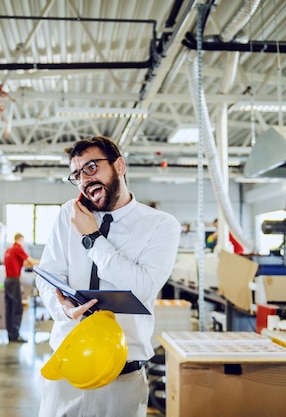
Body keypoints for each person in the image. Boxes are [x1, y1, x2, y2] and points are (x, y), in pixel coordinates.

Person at [35, 136, 181, 417]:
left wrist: (92, 236)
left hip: (122, 377)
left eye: (91, 168)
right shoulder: (69, 213)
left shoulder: (160, 225)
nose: (84, 180)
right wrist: (62, 308)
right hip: (67, 369)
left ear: (119, 166)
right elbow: (48, 274)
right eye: (76, 174)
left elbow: (143, 287)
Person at [3, 233, 39, 343]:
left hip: (7, 281)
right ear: (20, 239)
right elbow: (31, 261)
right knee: (17, 308)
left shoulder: (9, 250)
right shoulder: (17, 248)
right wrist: (44, 263)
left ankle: (11, 334)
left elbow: (22, 263)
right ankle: (15, 335)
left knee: (9, 308)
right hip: (14, 281)